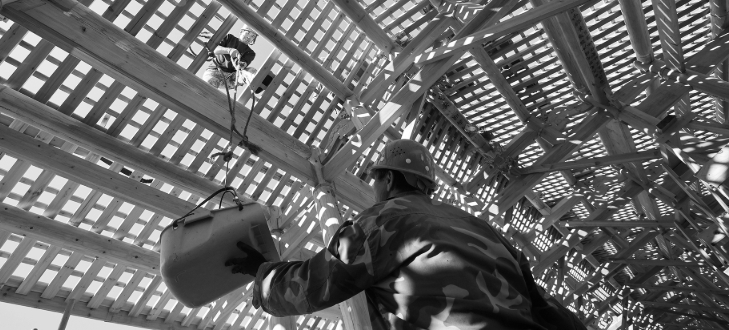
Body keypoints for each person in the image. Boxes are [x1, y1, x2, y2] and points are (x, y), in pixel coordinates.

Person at [226, 139, 587, 330]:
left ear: (388, 178)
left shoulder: (384, 220)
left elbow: (314, 283)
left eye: (376, 178)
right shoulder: (477, 225)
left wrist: (263, 276)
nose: (373, 187)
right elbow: (547, 306)